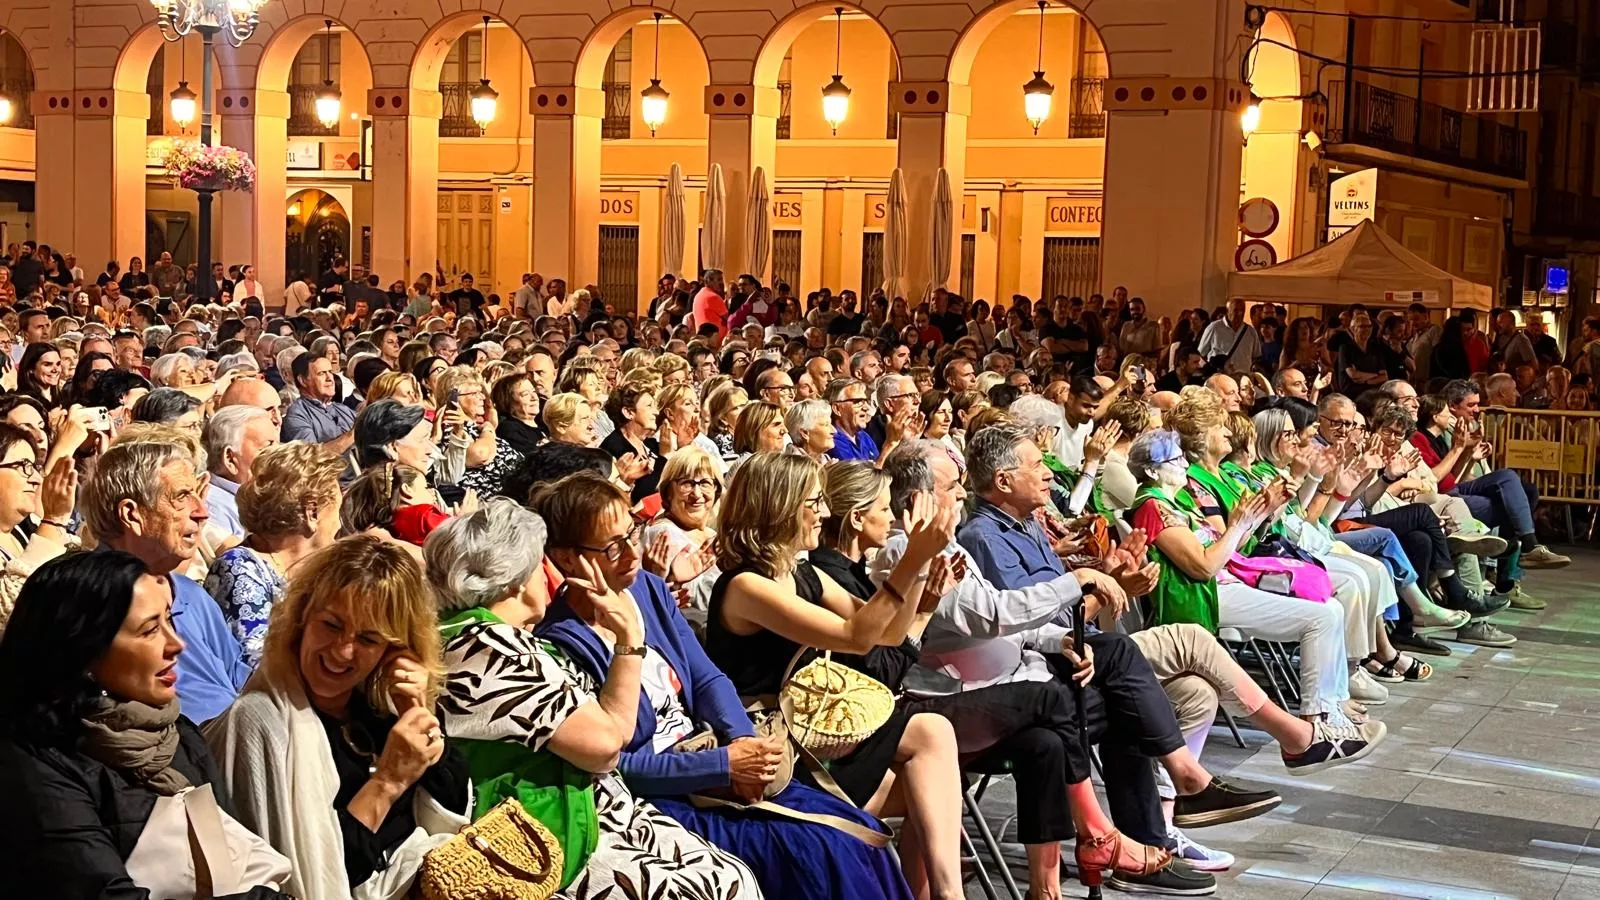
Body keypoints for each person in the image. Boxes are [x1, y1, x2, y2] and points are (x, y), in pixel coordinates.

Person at [532, 471, 918, 900]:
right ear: (567, 559)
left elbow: (707, 676)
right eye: (612, 547)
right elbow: (614, 762)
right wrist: (723, 765)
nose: (632, 554)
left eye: (633, 533)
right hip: (667, 793)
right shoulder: (562, 642)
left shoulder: (647, 591)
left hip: (717, 758)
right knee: (819, 853)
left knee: (860, 833)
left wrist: (744, 743)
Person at [427, 499, 762, 899]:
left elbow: (694, 683)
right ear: (517, 579)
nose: (547, 576)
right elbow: (607, 746)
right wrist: (629, 643)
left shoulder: (495, 638)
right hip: (553, 835)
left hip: (599, 809)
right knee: (725, 886)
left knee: (737, 876)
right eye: (539, 565)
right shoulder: (486, 646)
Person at [0, 551, 293, 897]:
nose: (176, 644)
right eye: (150, 630)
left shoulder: (177, 733)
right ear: (84, 651)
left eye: (170, 620)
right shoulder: (30, 763)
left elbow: (231, 864)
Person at [205, 535, 472, 900]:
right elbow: (308, 876)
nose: (343, 651)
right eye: (331, 625)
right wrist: (388, 782)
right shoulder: (261, 722)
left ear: (393, 648)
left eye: (368, 638)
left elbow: (453, 810)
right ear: (301, 619)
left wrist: (416, 710)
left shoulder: (375, 708)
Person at [83, 426, 252, 723]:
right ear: (132, 515)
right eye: (182, 497)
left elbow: (243, 681)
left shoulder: (190, 594)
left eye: (198, 496)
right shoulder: (87, 601)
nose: (202, 512)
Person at [205, 442, 345, 667]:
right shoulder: (239, 568)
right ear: (312, 512)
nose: (340, 523)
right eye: (337, 509)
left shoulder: (321, 571)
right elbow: (256, 664)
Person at [0, 423, 77, 630]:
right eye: (23, 466)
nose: (35, 479)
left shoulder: (25, 527)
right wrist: (53, 519)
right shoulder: (44, 524)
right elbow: (11, 612)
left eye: (35, 467)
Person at [202, 405, 279, 539]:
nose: (280, 456)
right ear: (230, 458)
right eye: (268, 447)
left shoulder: (263, 494)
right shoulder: (213, 512)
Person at [281, 351, 356, 453]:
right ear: (302, 380)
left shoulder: (344, 410)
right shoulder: (297, 415)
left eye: (330, 372)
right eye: (321, 373)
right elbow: (310, 456)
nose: (330, 378)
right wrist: (353, 434)